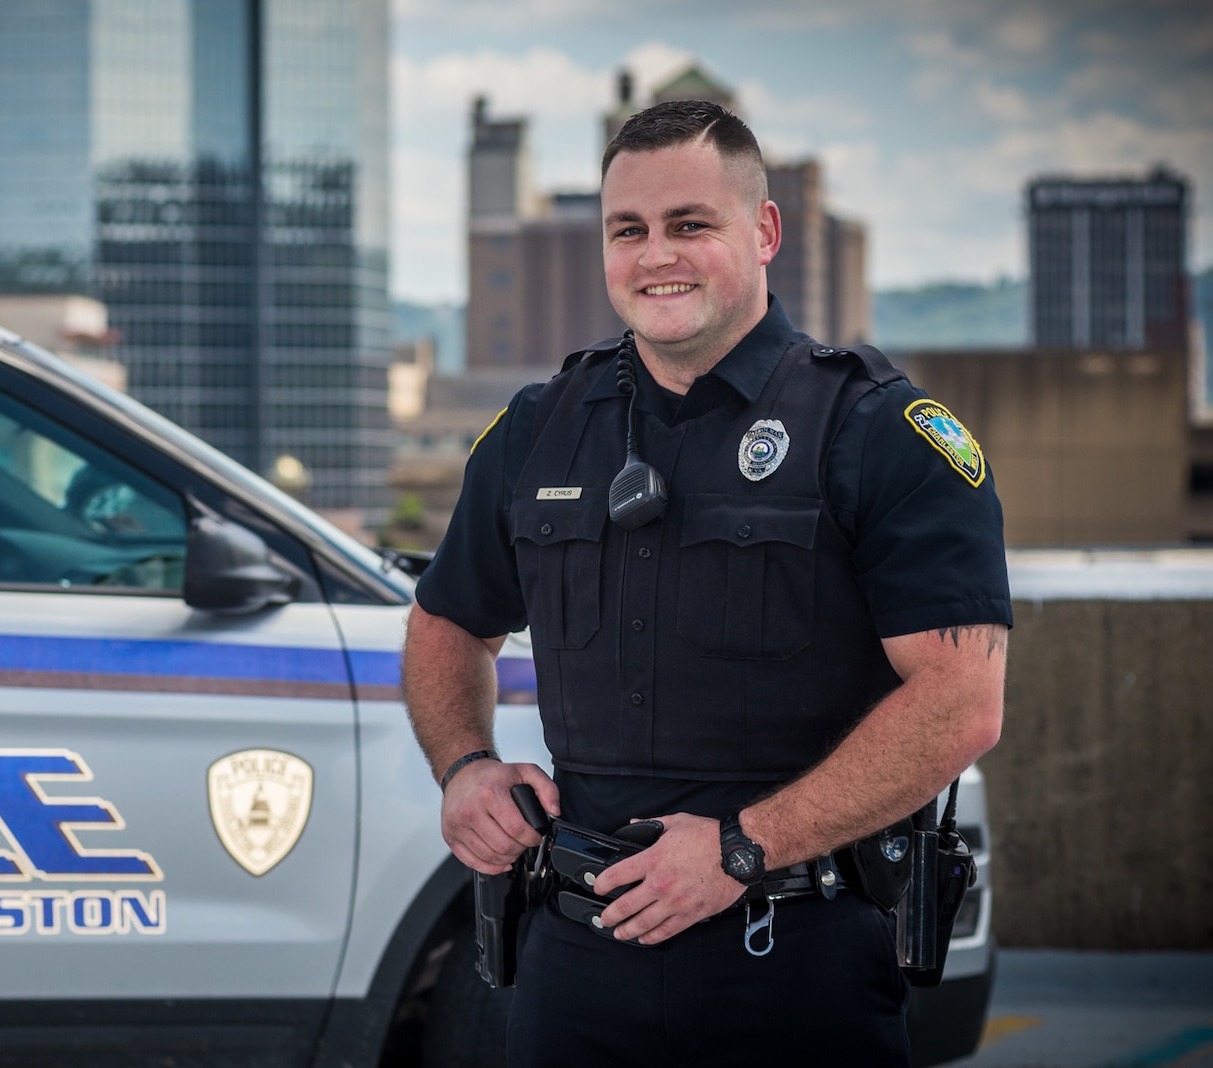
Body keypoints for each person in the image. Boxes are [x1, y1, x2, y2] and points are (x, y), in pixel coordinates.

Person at [402, 99, 1010, 1064]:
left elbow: (962, 703)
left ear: (763, 232)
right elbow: (445, 623)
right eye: (627, 231)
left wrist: (741, 848)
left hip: (795, 964)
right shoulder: (538, 429)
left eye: (691, 224)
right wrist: (464, 765)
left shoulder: (881, 433)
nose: (656, 257)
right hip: (574, 961)